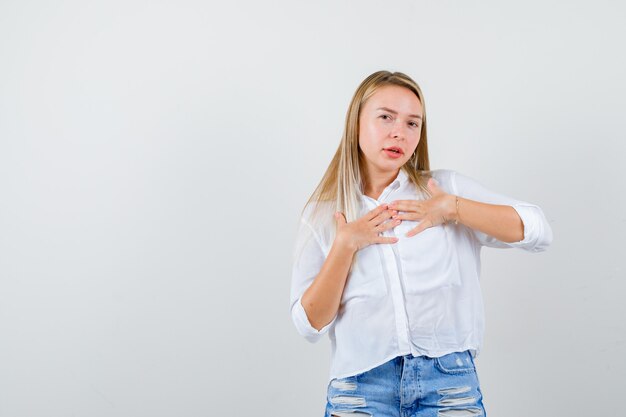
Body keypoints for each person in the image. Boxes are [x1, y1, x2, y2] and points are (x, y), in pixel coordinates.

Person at [289, 70, 553, 417]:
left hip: (448, 386)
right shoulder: (325, 213)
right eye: (385, 117)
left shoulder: (442, 190)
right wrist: (345, 246)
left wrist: (454, 208)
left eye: (413, 123)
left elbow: (537, 231)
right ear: (356, 124)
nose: (399, 131)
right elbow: (308, 325)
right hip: (360, 391)